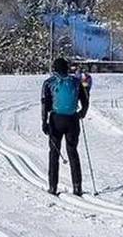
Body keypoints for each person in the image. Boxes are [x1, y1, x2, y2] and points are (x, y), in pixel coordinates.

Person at [41, 58, 89, 196]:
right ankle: (77, 186)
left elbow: (44, 103)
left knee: (54, 154)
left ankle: (52, 187)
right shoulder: (75, 81)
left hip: (56, 119)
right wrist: (81, 114)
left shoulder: (49, 83)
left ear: (55, 68)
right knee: (73, 152)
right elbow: (85, 100)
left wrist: (44, 122)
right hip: (73, 120)